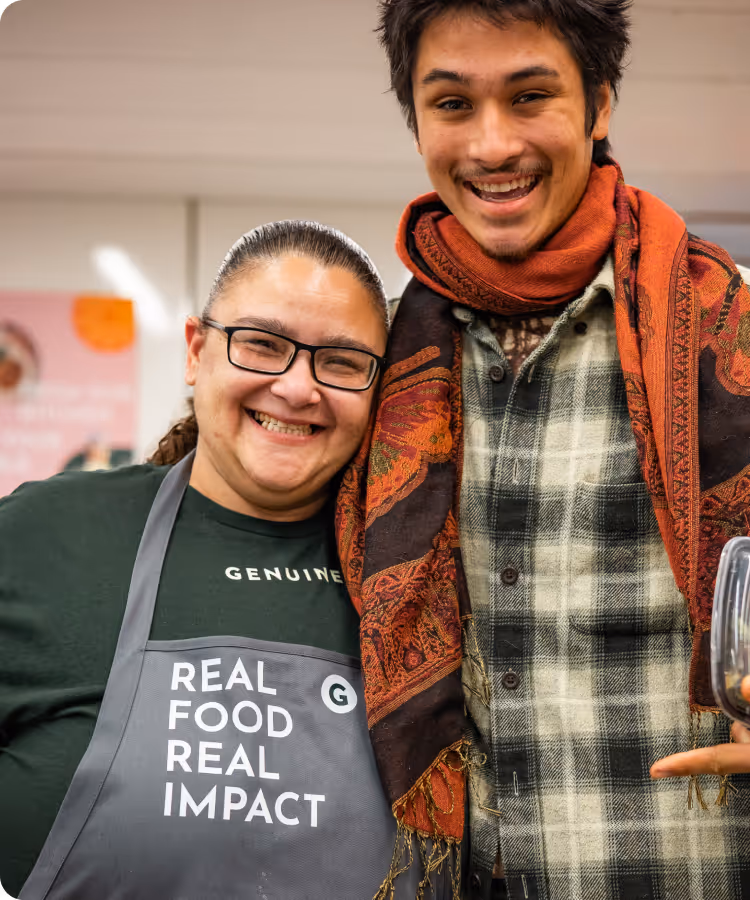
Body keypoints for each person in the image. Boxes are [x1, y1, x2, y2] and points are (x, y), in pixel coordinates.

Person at [334, 3, 750, 899]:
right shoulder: (379, 379)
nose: (492, 145)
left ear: (600, 102)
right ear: (416, 121)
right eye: (451, 105)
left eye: (531, 95)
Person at [0, 220, 442, 899]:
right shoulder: (44, 535)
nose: (298, 388)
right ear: (196, 350)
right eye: (262, 345)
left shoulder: (420, 581)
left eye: (343, 362)